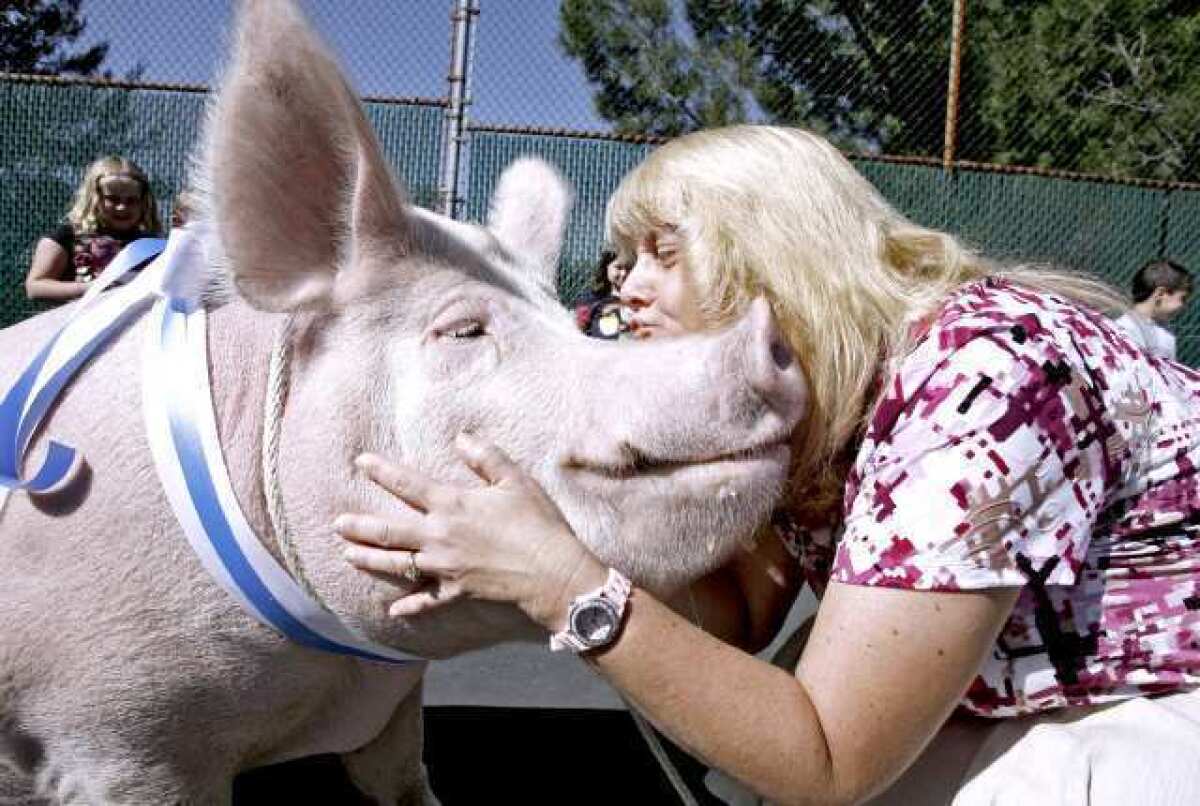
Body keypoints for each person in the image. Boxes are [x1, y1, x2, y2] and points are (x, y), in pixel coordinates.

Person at [334, 126, 1200, 804]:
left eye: (664, 253)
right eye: (625, 260)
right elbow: (742, 614)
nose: (626, 287)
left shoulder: (980, 377)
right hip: (1033, 686)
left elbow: (826, 759)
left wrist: (564, 584)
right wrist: (561, 532)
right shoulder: (796, 394)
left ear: (781, 252)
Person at [25, 155, 162, 302]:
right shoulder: (66, 237)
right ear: (94, 198)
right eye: (112, 199)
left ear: (144, 202)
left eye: (131, 201)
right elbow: (35, 286)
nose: (122, 207)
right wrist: (92, 288)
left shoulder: (152, 246)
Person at [1113, 259, 1192, 360]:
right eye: (1182, 298)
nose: (1183, 306)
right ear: (1160, 294)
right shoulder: (1125, 329)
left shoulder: (1165, 329)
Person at [571, 248, 630, 339]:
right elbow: (579, 330)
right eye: (618, 267)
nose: (624, 273)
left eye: (628, 268)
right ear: (606, 267)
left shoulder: (638, 299)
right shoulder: (591, 298)